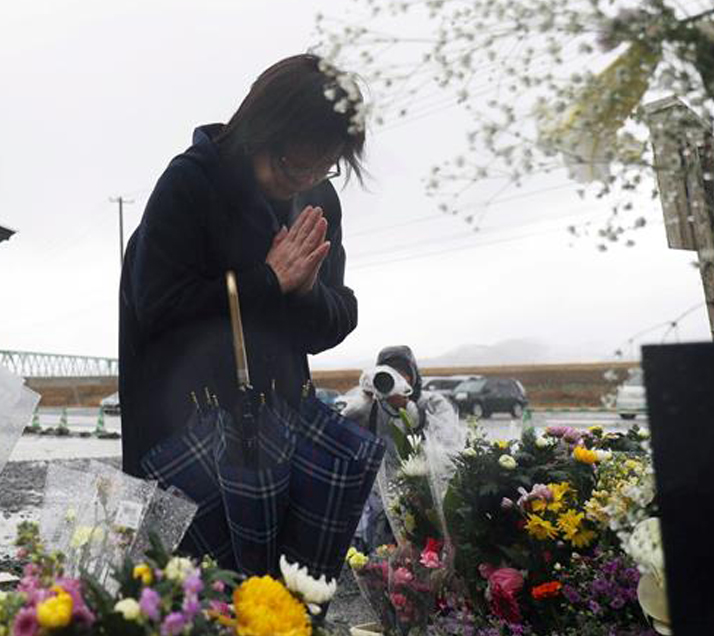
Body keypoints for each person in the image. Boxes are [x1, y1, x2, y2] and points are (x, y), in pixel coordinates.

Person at [119, 54, 365, 478]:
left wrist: (307, 291)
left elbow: (333, 323)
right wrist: (267, 282)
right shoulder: (191, 183)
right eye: (293, 165)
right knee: (181, 547)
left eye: (325, 165)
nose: (307, 178)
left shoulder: (318, 200)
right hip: (182, 434)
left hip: (276, 433)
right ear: (258, 131)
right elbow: (156, 307)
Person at [346, 345, 462, 551]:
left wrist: (408, 408)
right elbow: (343, 435)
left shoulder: (433, 403)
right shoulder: (370, 408)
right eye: (389, 374)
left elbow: (448, 446)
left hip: (426, 502)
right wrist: (364, 399)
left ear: (413, 377)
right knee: (384, 562)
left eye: (403, 374)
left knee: (428, 557)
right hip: (380, 506)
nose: (397, 379)